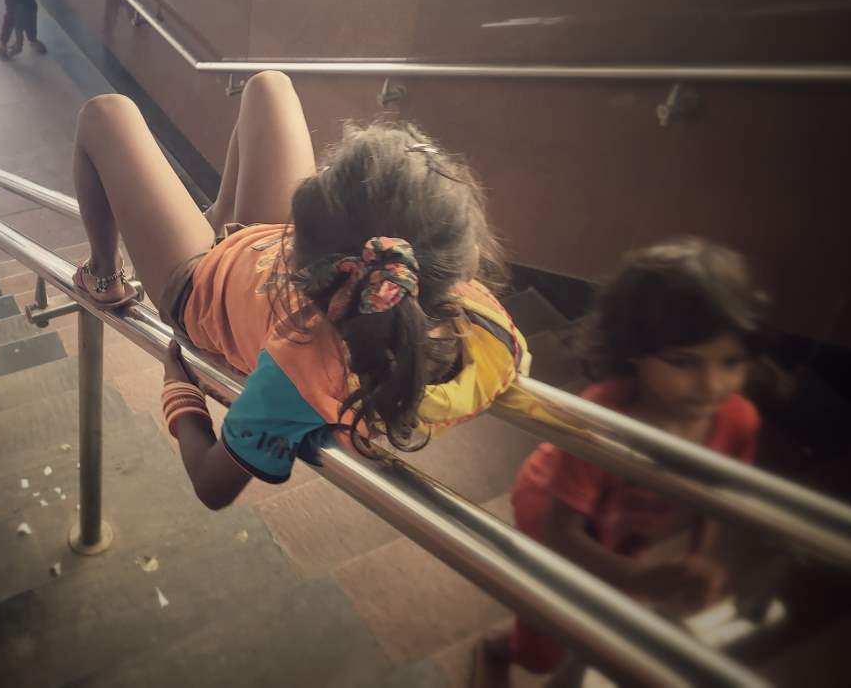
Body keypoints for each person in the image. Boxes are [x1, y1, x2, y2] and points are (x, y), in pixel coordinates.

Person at [70, 71, 529, 508]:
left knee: (105, 113)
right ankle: (210, 225)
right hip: (263, 254)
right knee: (270, 85)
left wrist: (179, 387)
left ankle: (105, 277)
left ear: (309, 245)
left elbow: (213, 483)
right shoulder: (463, 309)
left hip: (201, 289)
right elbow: (510, 358)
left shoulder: (298, 371)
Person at [474, 237, 766, 686]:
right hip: (551, 508)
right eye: (685, 362)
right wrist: (642, 580)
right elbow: (560, 534)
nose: (713, 384)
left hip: (626, 530)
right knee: (544, 643)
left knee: (602, 622)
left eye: (731, 362)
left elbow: (717, 496)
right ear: (636, 350)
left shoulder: (738, 420)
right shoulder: (604, 421)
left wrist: (696, 559)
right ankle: (497, 647)